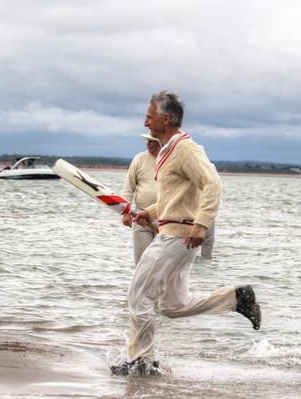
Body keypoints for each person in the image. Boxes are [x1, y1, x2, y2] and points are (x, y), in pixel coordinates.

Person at [111, 91, 260, 376]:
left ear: (166, 119)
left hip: (177, 236)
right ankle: (236, 299)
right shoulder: (168, 150)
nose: (145, 123)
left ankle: (142, 361)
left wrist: (201, 226)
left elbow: (213, 185)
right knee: (173, 305)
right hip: (173, 230)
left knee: (138, 296)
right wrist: (149, 213)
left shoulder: (186, 148)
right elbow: (176, 196)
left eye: (149, 117)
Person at [122, 133, 160, 265]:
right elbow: (128, 187)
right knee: (142, 263)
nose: (149, 143)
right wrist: (126, 212)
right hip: (140, 216)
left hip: (165, 217)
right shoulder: (139, 159)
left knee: (162, 264)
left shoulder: (170, 159)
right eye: (147, 141)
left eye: (152, 141)